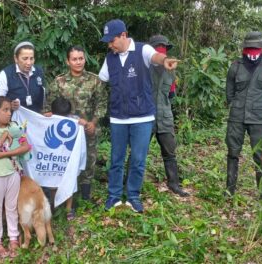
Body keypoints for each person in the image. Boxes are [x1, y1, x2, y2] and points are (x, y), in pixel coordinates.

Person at [98, 19, 179, 213]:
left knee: (138, 159)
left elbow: (156, 57)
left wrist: (164, 60)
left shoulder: (142, 50)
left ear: (123, 35)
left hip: (142, 117)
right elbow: (101, 79)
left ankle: (133, 196)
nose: (109, 45)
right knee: (116, 159)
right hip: (118, 118)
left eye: (112, 40)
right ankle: (114, 196)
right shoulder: (110, 58)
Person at [46, 45, 107, 201]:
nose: (78, 62)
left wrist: (93, 123)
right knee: (65, 163)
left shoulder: (94, 81)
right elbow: (48, 105)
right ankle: (65, 198)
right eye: (74, 59)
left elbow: (102, 103)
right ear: (68, 61)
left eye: (81, 58)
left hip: (87, 129)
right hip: (65, 133)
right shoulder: (59, 82)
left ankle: (85, 197)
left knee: (88, 161)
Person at [225, 31, 262, 196]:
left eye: (256, 47)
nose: (253, 51)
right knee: (233, 152)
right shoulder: (235, 66)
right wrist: (236, 105)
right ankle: (230, 190)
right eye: (250, 47)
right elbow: (230, 92)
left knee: (260, 155)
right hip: (237, 118)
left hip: (260, 119)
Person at [0, 96, 30, 259]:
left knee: (12, 208)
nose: (8, 114)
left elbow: (25, 146)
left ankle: (13, 238)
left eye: (10, 110)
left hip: (13, 173)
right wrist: (5, 135)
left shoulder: (15, 126)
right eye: (4, 110)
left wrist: (7, 153)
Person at [149, 35, 189, 197]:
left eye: (163, 47)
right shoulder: (144, 68)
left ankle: (174, 184)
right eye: (159, 47)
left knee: (170, 153)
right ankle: (130, 185)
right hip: (146, 116)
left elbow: (171, 94)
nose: (161, 50)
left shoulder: (171, 70)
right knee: (138, 152)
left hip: (165, 117)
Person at [48, 96, 88, 220]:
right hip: (54, 159)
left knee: (69, 181)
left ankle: (68, 209)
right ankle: (54, 206)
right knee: (53, 182)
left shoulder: (74, 120)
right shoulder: (49, 118)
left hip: (69, 159)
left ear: (69, 113)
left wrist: (84, 123)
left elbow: (84, 124)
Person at [0, 41, 45, 113]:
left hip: (35, 118)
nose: (29, 63)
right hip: (13, 120)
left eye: (31, 58)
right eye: (25, 58)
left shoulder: (39, 72)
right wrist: (9, 105)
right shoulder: (5, 74)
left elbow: (43, 96)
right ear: (16, 58)